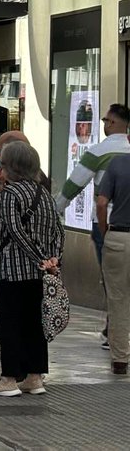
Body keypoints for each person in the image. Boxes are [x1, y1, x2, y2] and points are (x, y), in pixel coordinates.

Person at [0, 141, 64, 397]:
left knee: (10, 323)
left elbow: (14, 230)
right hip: (39, 274)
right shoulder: (44, 194)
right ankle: (34, 376)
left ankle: (8, 378)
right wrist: (53, 259)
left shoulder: (11, 193)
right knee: (34, 323)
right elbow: (58, 231)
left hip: (13, 269)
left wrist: (38, 257)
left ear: (11, 167)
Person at [55, 104, 130, 284]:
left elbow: (74, 184)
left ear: (111, 122)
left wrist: (56, 208)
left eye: (105, 120)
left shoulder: (97, 152)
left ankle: (115, 312)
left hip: (106, 223)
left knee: (112, 281)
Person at [97, 148, 130, 375]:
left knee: (118, 299)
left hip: (119, 237)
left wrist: (104, 231)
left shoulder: (117, 164)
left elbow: (101, 203)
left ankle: (120, 359)